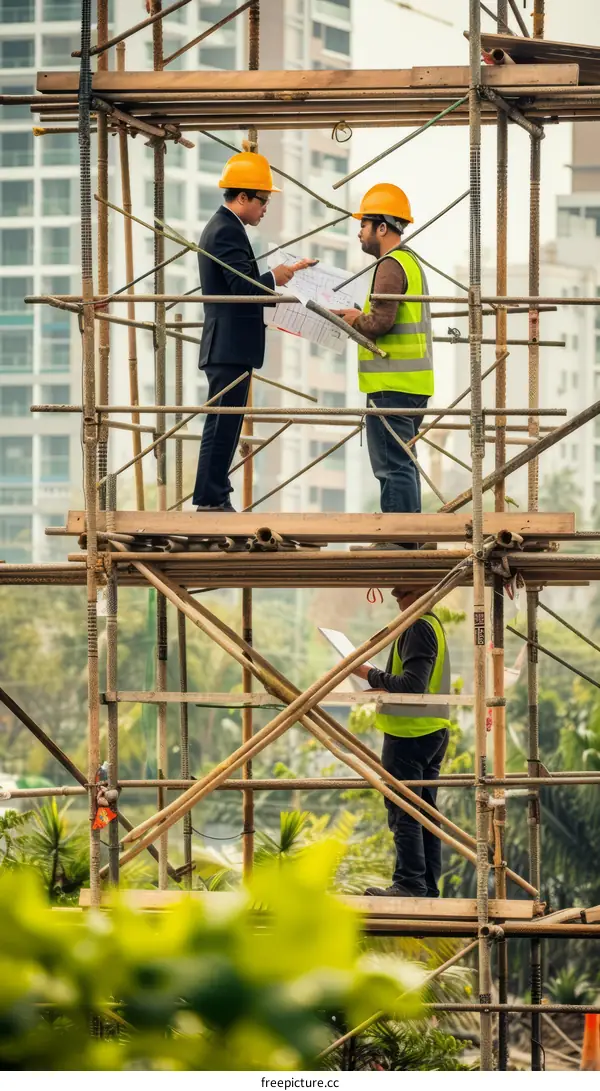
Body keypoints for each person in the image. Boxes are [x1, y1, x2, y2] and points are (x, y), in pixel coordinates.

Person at [192, 151, 315, 511]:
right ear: (242, 197)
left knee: (226, 424)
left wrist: (281, 274)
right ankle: (211, 499)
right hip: (228, 346)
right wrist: (275, 278)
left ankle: (214, 495)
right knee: (222, 424)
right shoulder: (226, 230)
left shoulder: (228, 228)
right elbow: (243, 290)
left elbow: (241, 284)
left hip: (230, 346)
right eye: (263, 200)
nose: (265, 208)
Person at [334, 184, 433, 528]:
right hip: (410, 384)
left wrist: (352, 319)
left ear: (382, 227)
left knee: (392, 463)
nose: (359, 232)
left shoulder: (390, 265)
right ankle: (411, 534)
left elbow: (380, 322)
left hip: (392, 383)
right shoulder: (410, 262)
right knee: (403, 460)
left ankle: (400, 534)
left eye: (364, 224)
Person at [353, 585, 451, 898]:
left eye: (401, 594)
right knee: (424, 813)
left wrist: (370, 675)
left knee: (405, 811)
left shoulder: (418, 626)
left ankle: (410, 884)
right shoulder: (431, 623)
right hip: (429, 729)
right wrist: (384, 686)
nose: (398, 602)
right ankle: (426, 887)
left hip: (410, 733)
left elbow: (413, 684)